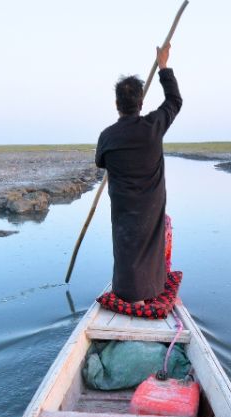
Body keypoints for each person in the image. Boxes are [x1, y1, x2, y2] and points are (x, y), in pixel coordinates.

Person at [95, 44, 182, 303]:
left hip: (123, 208)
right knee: (150, 244)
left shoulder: (107, 136)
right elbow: (174, 101)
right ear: (141, 103)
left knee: (125, 246)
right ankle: (150, 290)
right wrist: (163, 67)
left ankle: (127, 291)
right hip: (150, 205)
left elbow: (100, 162)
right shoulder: (153, 127)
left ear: (116, 104)